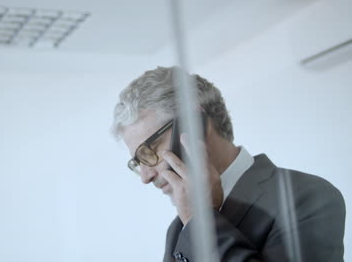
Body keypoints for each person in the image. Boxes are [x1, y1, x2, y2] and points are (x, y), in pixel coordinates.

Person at [110, 67, 345, 262]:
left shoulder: (306, 196)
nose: (145, 176)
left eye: (149, 151)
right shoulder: (177, 229)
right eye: (138, 162)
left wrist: (201, 220)